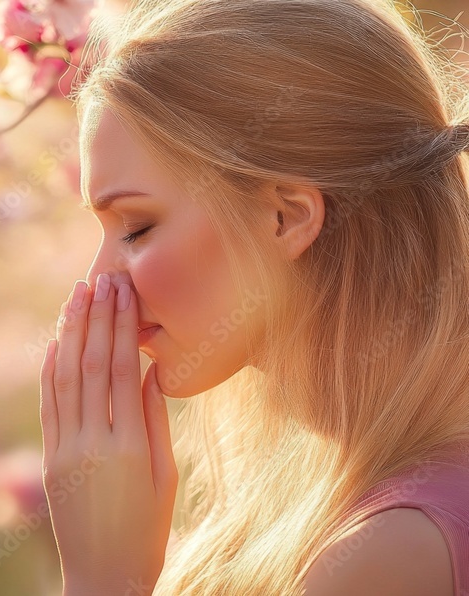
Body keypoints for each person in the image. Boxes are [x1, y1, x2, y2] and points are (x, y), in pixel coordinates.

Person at [38, 0, 469, 594]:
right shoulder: (359, 500)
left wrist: (105, 577)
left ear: (285, 217)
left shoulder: (392, 554)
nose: (99, 280)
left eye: (136, 228)